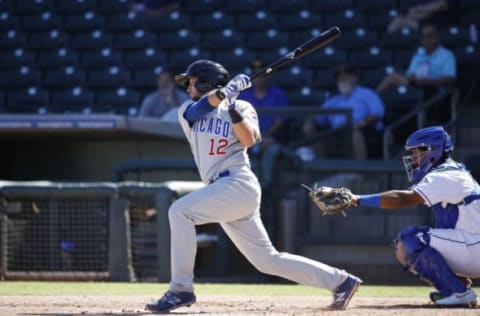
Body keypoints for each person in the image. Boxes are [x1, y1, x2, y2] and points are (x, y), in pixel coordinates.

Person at [144, 59, 362, 313]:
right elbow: (199, 110)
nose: (188, 86)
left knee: (179, 211)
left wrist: (232, 106)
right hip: (221, 189)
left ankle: (180, 290)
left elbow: (249, 139)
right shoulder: (187, 110)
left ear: (206, 81)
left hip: (237, 183)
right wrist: (224, 93)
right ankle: (342, 281)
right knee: (266, 260)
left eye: (192, 81)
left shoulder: (243, 106)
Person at [347, 126, 479, 307]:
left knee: (410, 239)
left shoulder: (448, 175)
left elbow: (403, 198)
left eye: (417, 152)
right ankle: (456, 289)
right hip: (473, 246)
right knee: (418, 239)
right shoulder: (449, 172)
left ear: (433, 150)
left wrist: (356, 199)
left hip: (475, 247)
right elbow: (450, 227)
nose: (414, 158)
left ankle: (458, 293)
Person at [304, 64, 385, 159]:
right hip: (337, 133)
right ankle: (318, 166)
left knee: (355, 133)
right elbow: (319, 117)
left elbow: (377, 113)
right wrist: (311, 121)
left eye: (346, 76)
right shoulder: (334, 99)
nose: (342, 80)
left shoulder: (367, 93)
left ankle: (360, 171)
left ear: (355, 77)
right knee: (309, 125)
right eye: (340, 78)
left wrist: (360, 124)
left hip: (362, 130)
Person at [239, 60, 293, 190]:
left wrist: (263, 138)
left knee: (271, 152)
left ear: (268, 76)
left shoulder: (278, 94)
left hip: (271, 139)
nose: (259, 78)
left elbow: (280, 121)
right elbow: (238, 120)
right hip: (248, 139)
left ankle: (265, 187)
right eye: (256, 75)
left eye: (262, 75)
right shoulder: (244, 95)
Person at [376, 23, 456, 94]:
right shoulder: (418, 55)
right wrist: (412, 76)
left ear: (438, 37)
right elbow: (410, 74)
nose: (426, 40)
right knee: (393, 77)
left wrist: (429, 81)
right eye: (423, 37)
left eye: (429, 36)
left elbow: (450, 79)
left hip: (435, 86)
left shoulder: (447, 55)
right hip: (417, 84)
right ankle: (372, 99)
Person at [387, 0, 457, 34]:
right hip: (416, 25)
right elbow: (411, 12)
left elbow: (442, 5)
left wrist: (420, 9)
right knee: (397, 22)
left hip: (439, 26)